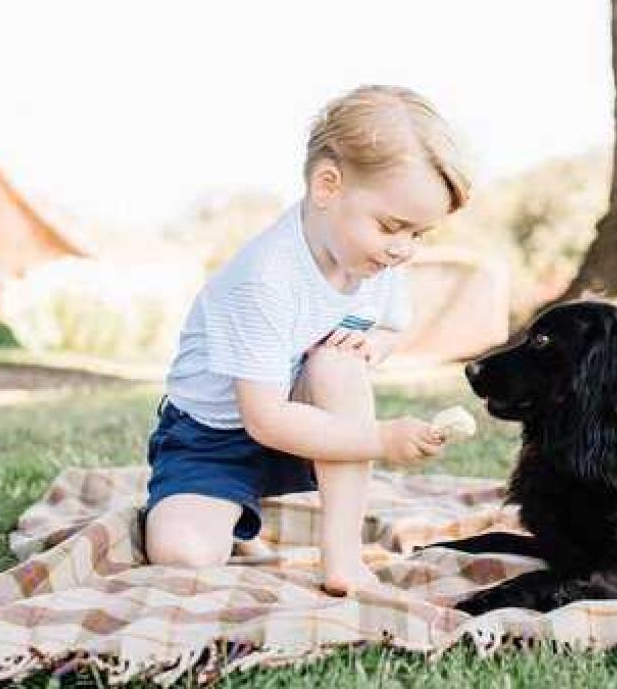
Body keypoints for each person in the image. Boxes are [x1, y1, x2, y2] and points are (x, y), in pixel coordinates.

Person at [143, 85, 472, 596]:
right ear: (327, 185)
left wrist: (371, 346)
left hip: (308, 423)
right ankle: (218, 509)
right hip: (214, 439)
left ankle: (342, 557)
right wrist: (381, 439)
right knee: (183, 556)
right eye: (393, 226)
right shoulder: (264, 278)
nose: (403, 249)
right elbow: (264, 419)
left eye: (417, 234)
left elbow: (388, 326)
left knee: (338, 364)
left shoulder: (375, 262)